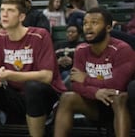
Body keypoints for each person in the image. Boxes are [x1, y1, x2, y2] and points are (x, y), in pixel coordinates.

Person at [0, 0, 65, 137]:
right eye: (2, 10)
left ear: (21, 17)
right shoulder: (1, 38)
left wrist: (9, 74)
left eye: (10, 10)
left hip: (45, 95)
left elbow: (46, 76)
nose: (4, 14)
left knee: (32, 87)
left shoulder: (39, 35)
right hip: (16, 95)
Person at [54, 8, 135, 137]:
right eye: (85, 23)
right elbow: (75, 84)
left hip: (122, 106)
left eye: (94, 23)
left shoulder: (122, 49)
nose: (88, 27)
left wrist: (86, 79)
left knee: (119, 97)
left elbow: (117, 85)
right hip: (95, 101)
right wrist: (95, 92)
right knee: (67, 98)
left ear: (108, 28)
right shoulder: (81, 49)